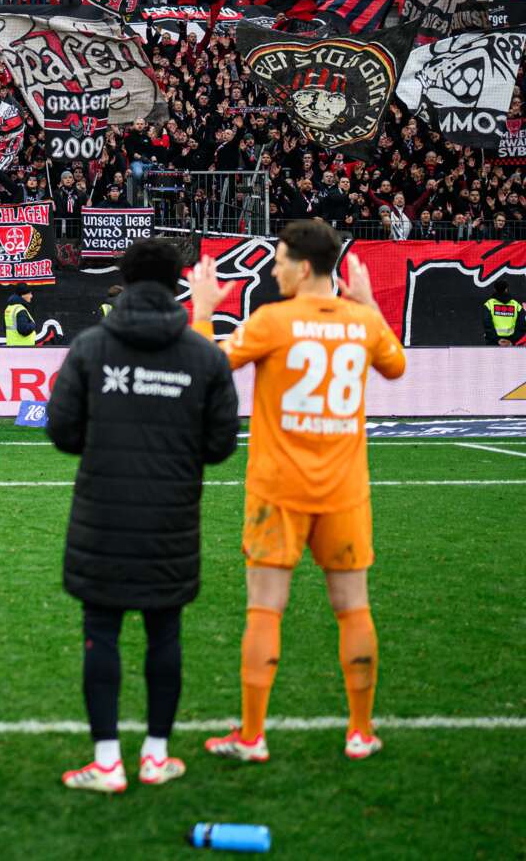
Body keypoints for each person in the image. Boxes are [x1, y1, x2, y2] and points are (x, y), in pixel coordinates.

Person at [187, 219, 407, 762]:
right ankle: (360, 731)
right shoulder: (360, 322)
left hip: (278, 489)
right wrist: (369, 305)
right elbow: (396, 366)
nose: (275, 268)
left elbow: (206, 366)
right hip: (344, 491)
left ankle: (252, 736)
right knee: (354, 609)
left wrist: (203, 308)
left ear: (304, 267)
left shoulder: (273, 320)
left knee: (266, 610)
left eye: (280, 260)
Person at [45, 238, 239, 792]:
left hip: (102, 516)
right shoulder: (202, 354)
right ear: (177, 281)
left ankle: (107, 762)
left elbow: (61, 431)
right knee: (165, 635)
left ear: (123, 280)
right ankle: (155, 756)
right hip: (170, 517)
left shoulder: (91, 347)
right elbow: (222, 443)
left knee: (100, 634)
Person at [483, 279, 520, 346]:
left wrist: (497, 340)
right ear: (506, 289)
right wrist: (511, 341)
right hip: (510, 343)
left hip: (493, 342)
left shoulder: (488, 304)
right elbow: (522, 326)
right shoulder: (516, 305)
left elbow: (487, 325)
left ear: (494, 289)